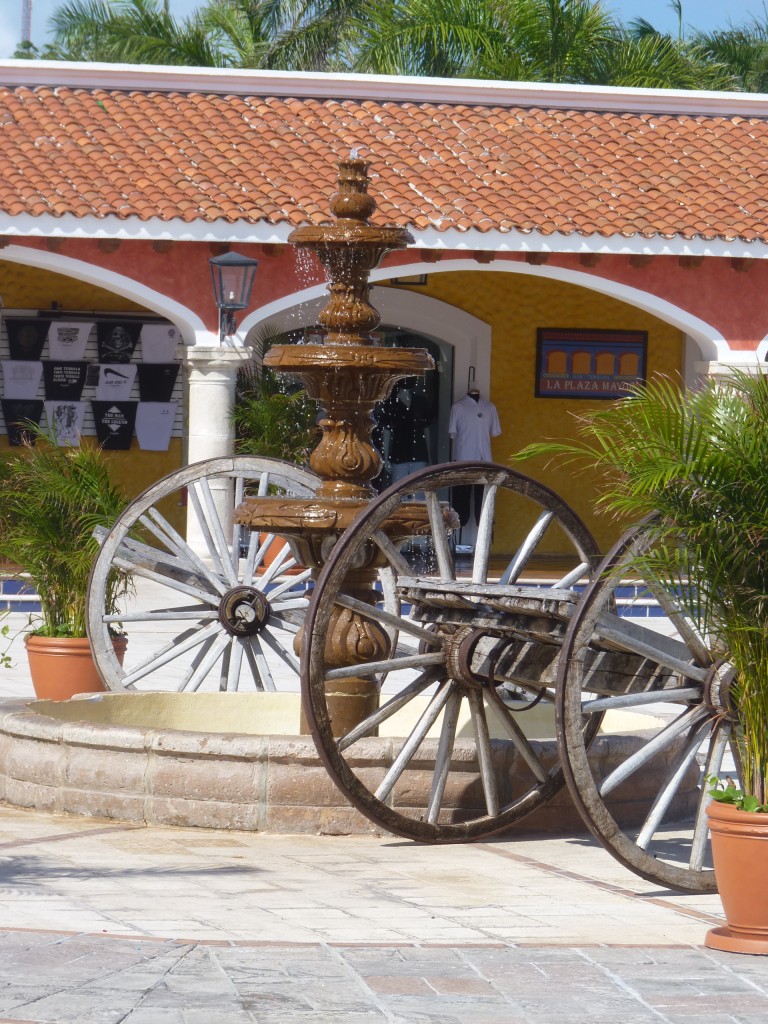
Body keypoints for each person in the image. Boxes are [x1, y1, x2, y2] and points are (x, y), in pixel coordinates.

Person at [448, 388, 501, 526]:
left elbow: (495, 431)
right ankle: (456, 531)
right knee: (460, 502)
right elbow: (452, 432)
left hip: (485, 461)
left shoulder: (490, 407)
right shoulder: (458, 407)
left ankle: (485, 532)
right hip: (462, 459)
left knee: (484, 502)